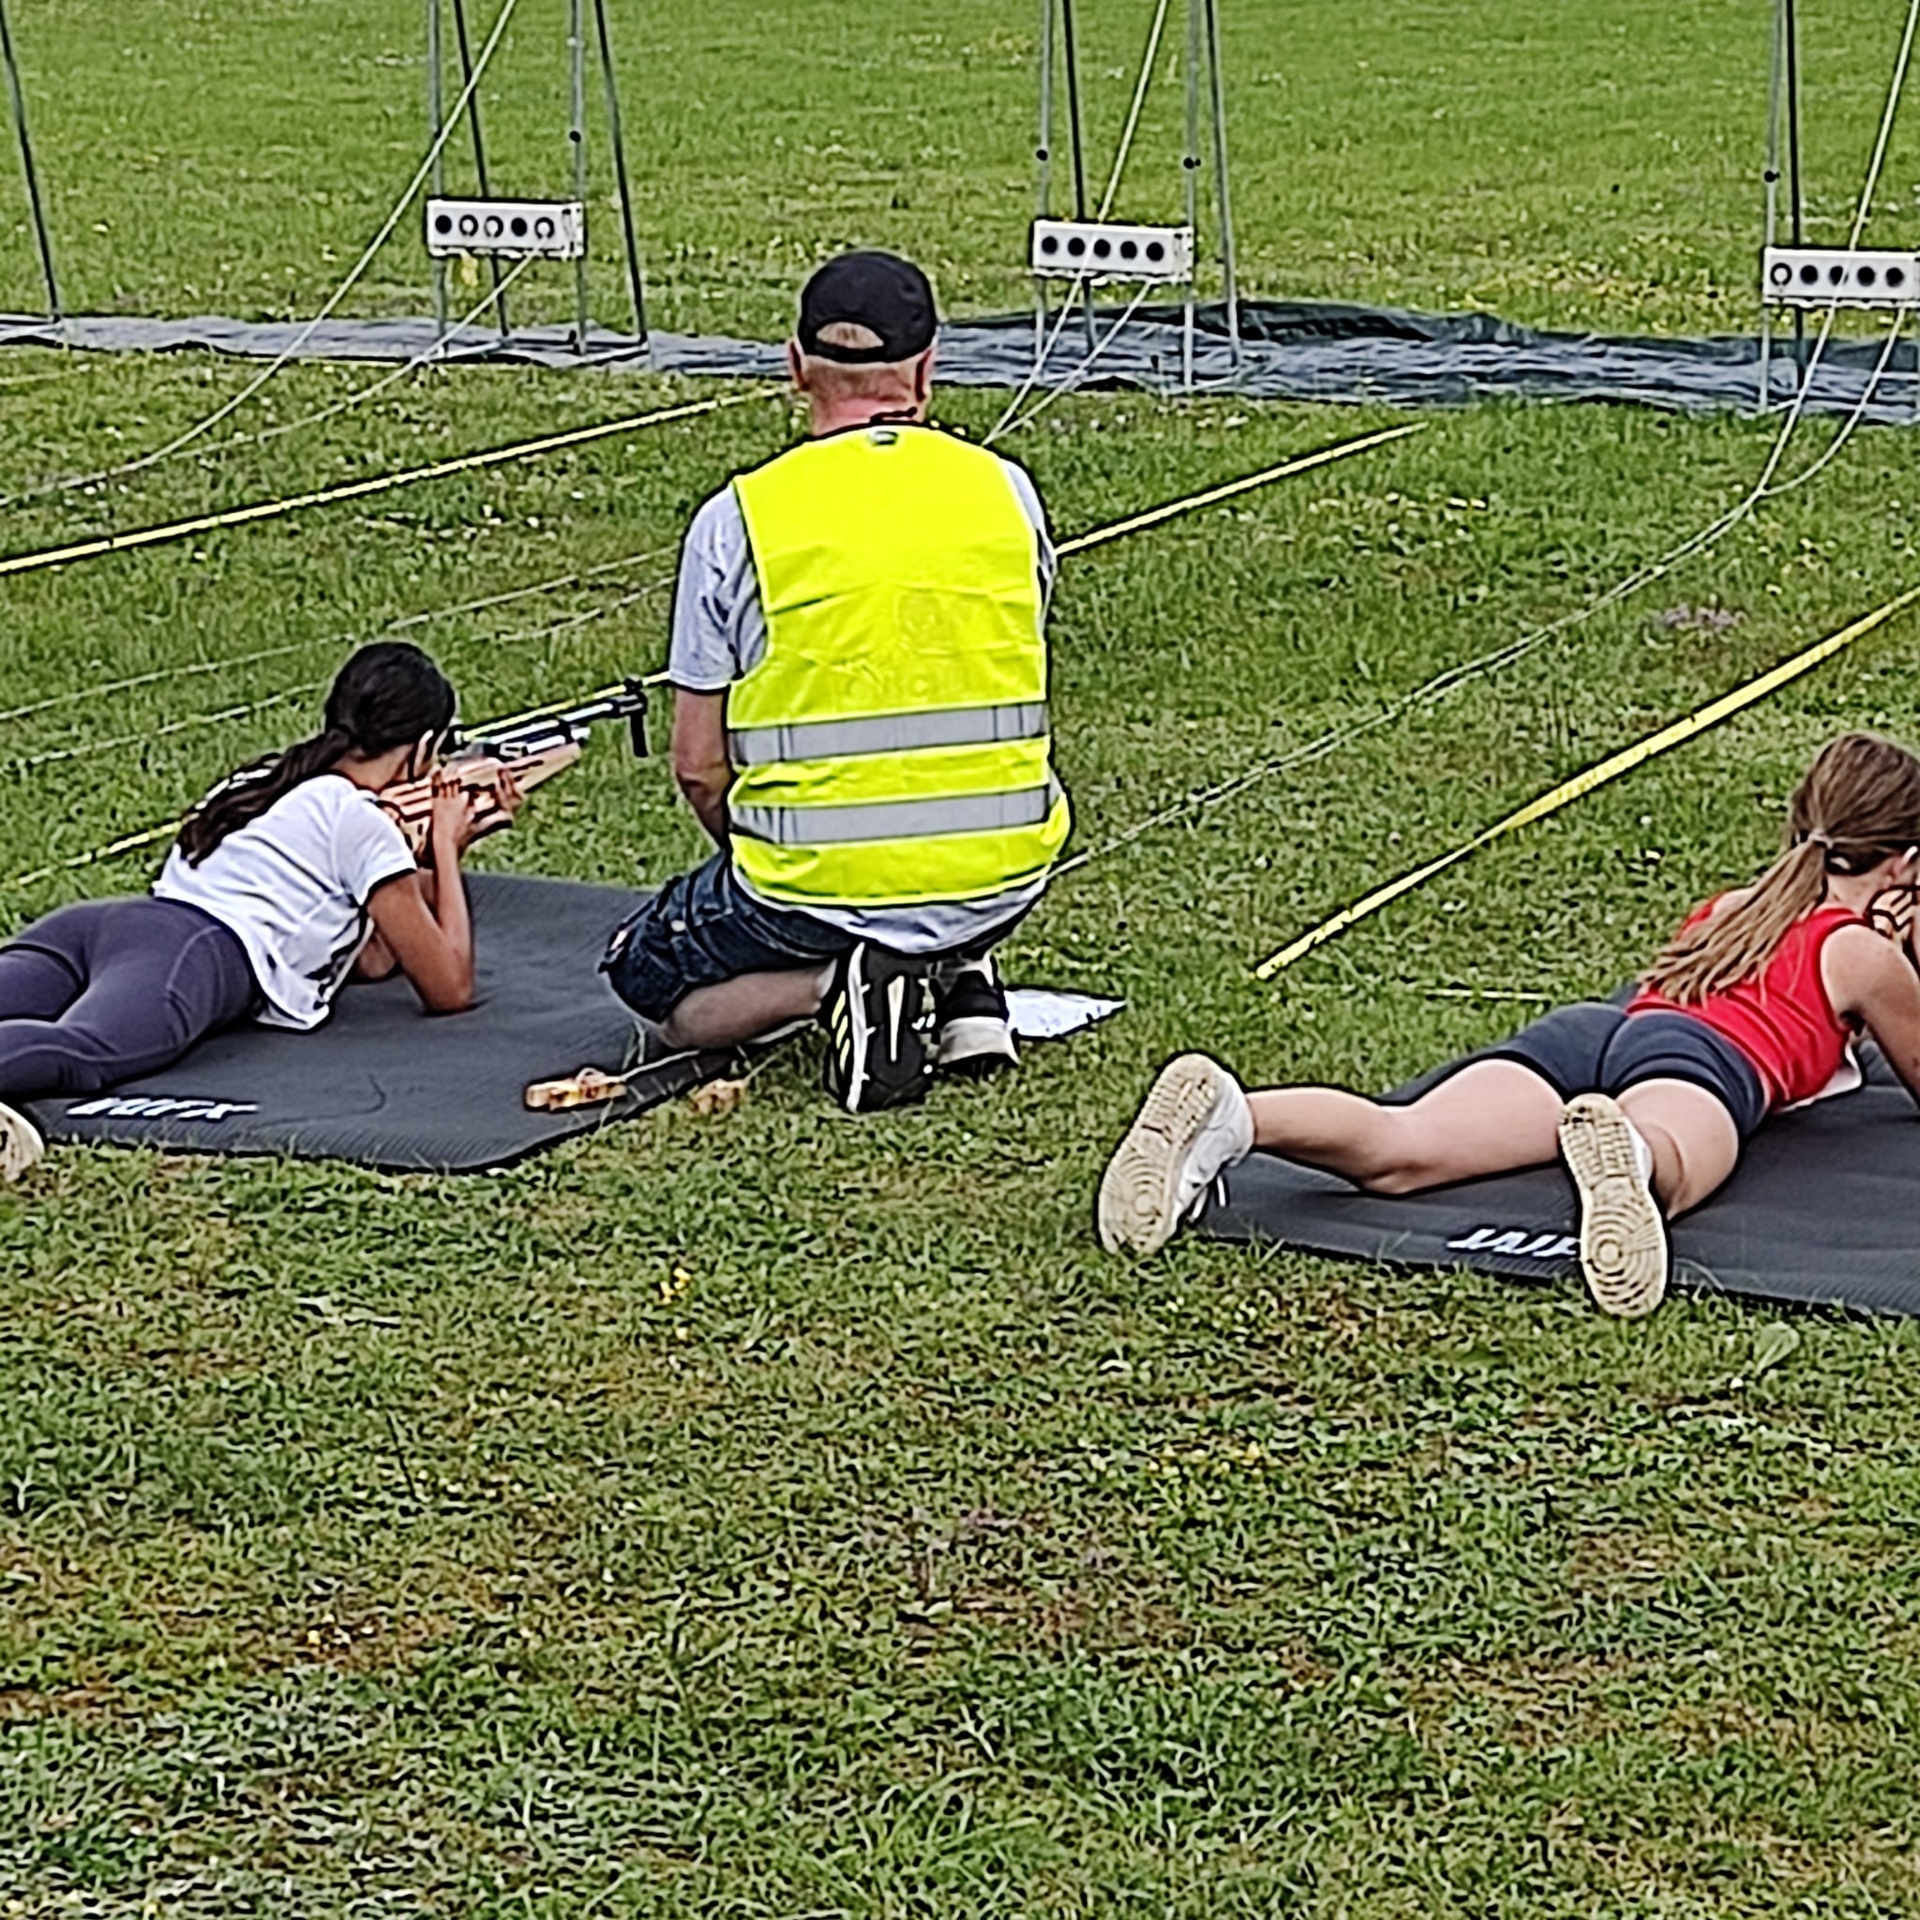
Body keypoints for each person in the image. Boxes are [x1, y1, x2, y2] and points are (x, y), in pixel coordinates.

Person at [1097, 731, 1920, 1318]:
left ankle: (1237, 1116)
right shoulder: (1859, 952)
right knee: (1675, 1167)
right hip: (1704, 1060)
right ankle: (1626, 1158)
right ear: (1906, 863)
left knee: (1401, 1147)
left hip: (1597, 1031)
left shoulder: (1731, 907)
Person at [602, 248, 1071, 1112]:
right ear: (927, 372)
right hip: (1008, 870)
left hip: (810, 885)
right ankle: (957, 970)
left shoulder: (738, 517)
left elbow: (698, 765)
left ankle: (847, 984)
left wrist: (763, 859)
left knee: (650, 977)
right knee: (929, 888)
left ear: (793, 368)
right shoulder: (1008, 494)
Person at [0, 642, 519, 1181]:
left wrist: (441, 849)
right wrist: (444, 847)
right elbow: (449, 988)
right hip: (193, 954)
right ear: (423, 748)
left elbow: (374, 959)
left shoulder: (261, 780)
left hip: (99, 926)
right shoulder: (361, 822)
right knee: (83, 1052)